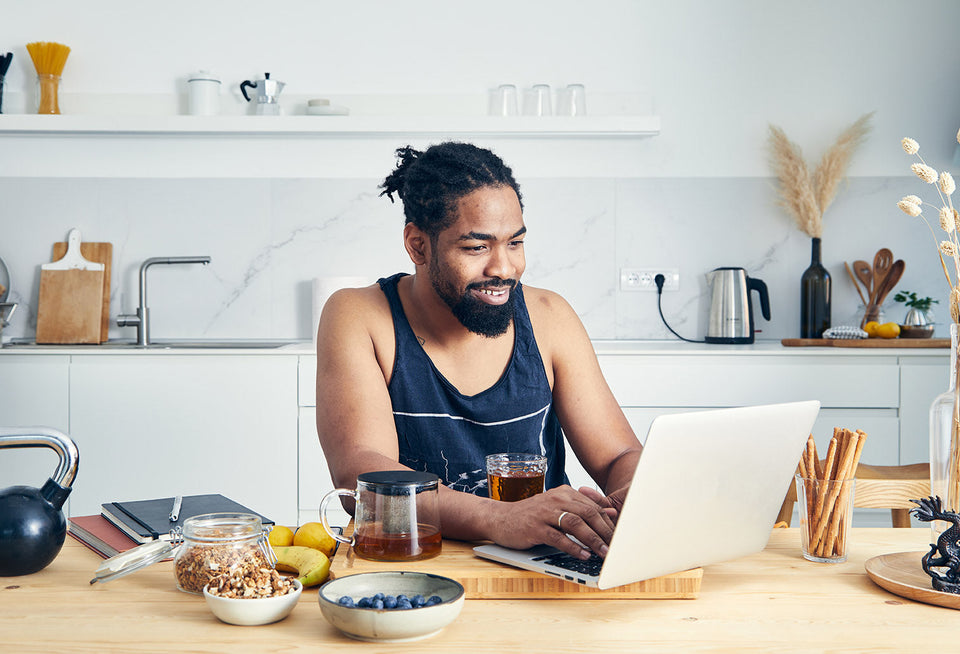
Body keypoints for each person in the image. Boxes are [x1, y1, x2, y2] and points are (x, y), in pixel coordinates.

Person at [315, 142, 642, 560]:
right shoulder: (359, 315)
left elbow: (618, 455)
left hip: (544, 561)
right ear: (418, 246)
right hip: (417, 560)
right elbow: (364, 481)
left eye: (515, 243)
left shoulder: (549, 316)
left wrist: (635, 493)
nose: (503, 268)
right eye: (476, 248)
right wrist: (500, 519)